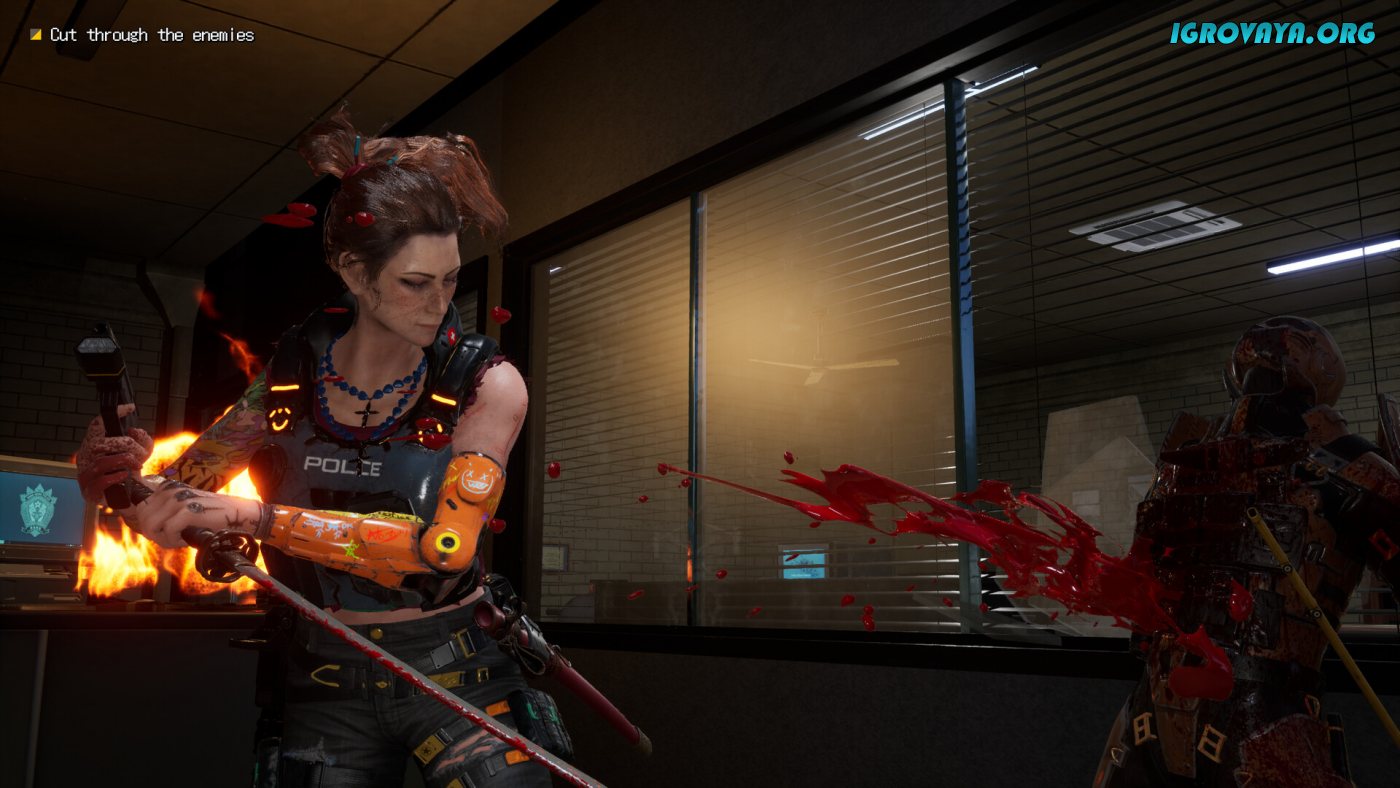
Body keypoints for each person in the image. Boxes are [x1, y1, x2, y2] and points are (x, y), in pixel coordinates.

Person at [75, 107, 568, 788]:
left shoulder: (485, 382)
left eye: (450, 279)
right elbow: (181, 496)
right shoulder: (290, 379)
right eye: (415, 283)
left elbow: (443, 551)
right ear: (353, 272)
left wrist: (254, 518)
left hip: (457, 669)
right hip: (323, 675)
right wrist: (113, 482)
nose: (440, 305)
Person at [1092, 316, 1400, 787]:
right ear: (1316, 365)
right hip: (1263, 721)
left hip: (1150, 712)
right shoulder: (1349, 465)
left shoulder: (1181, 466)